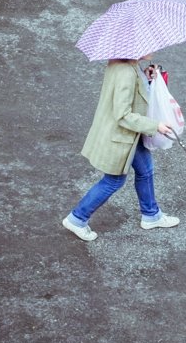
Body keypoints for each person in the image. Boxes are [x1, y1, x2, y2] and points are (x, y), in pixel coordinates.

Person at [62, 53, 179, 241]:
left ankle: (151, 215)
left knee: (146, 170)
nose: (153, 49)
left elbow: (134, 95)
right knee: (113, 181)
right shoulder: (126, 72)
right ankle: (77, 219)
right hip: (120, 137)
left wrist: (146, 78)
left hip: (128, 136)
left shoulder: (124, 64)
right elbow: (123, 114)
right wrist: (155, 126)